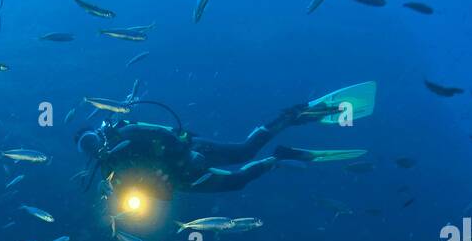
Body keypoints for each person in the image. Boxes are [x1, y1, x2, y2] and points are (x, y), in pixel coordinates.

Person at [76, 82, 376, 197]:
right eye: (89, 148)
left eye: (92, 140)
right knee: (237, 182)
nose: (96, 148)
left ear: (98, 135)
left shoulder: (125, 134)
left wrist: (183, 154)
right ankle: (281, 157)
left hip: (190, 152)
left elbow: (163, 134)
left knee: (244, 152)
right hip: (184, 180)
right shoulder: (108, 173)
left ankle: (293, 115)